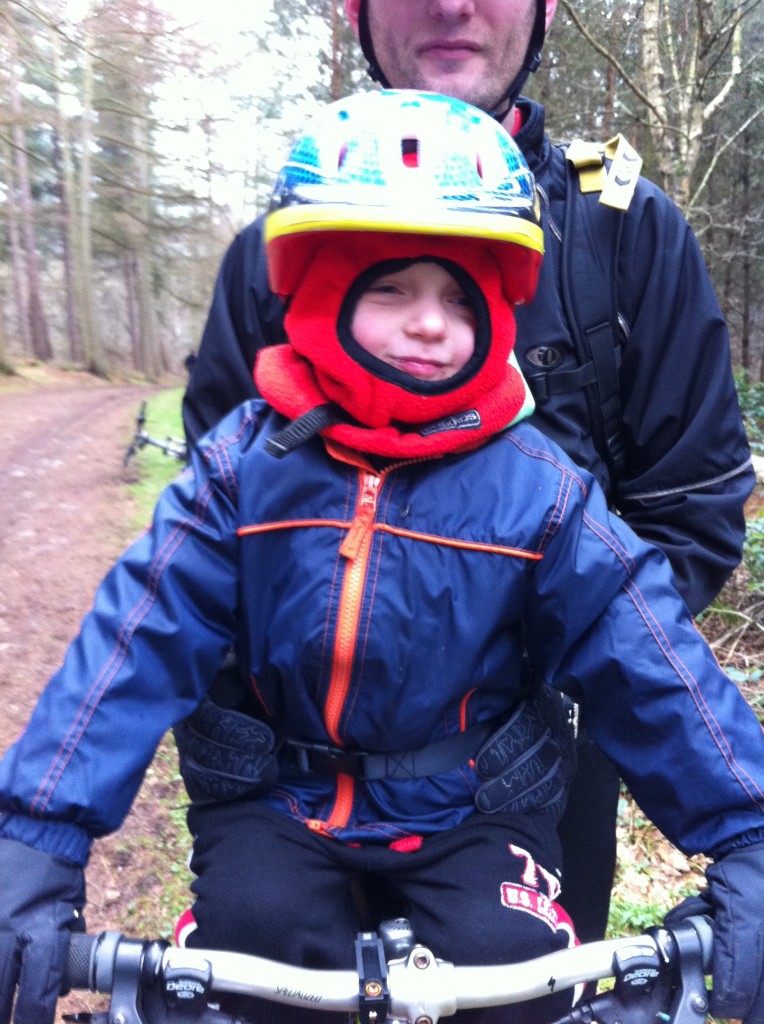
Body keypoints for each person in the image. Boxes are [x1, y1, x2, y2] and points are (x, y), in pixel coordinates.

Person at [0, 90, 763, 1024]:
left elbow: (648, 656)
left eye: (458, 294)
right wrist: (38, 841)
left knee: (513, 968)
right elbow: (135, 639)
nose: (431, 322)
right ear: (323, 293)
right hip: (282, 798)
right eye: (391, 288)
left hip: (476, 806)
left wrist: (749, 836)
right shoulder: (244, 466)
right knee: (251, 939)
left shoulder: (540, 489)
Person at [179, 0, 756, 945]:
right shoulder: (273, 251)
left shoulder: (624, 233)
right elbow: (209, 546)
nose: (453, 4)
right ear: (354, 11)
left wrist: (527, 669)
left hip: (534, 776)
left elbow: (691, 513)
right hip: (288, 787)